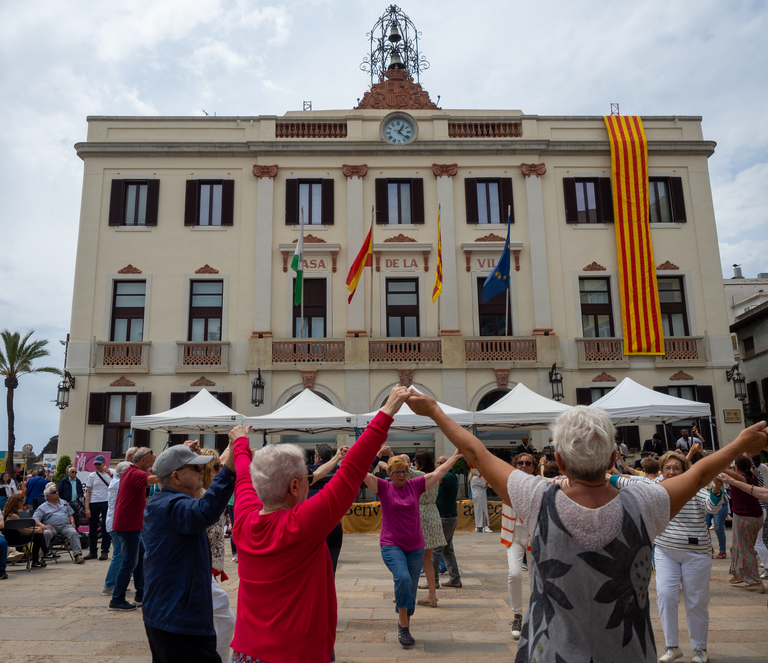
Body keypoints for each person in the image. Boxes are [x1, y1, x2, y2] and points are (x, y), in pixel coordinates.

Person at [405, 392, 768, 662]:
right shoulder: (647, 503)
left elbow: (475, 453)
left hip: (550, 652)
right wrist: (738, 442)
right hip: (628, 653)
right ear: (614, 458)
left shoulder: (535, 498)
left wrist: (435, 410)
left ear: (559, 461)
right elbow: (701, 471)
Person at [229, 385, 410, 663]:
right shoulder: (302, 524)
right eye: (305, 478)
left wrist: (240, 441)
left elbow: (242, 473)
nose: (308, 482)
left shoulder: (243, 518)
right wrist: (387, 410)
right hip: (297, 654)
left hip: (245, 653)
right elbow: (351, 471)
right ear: (294, 487)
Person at [142, 441, 235, 663]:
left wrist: (231, 447)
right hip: (178, 620)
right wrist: (231, 469)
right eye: (195, 468)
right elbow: (206, 509)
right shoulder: (173, 505)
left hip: (165, 614)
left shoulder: (162, 502)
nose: (201, 472)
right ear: (176, 477)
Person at [362, 448, 461, 644]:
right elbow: (359, 471)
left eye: (404, 471)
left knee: (412, 587)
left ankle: (406, 622)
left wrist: (456, 456)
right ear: (389, 473)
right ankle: (403, 626)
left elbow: (438, 473)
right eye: (396, 472)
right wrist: (375, 455)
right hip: (391, 544)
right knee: (403, 579)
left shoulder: (415, 486)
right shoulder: (383, 487)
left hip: (416, 545)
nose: (401, 475)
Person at [653, 450, 725, 663]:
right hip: (665, 550)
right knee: (665, 596)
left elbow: (712, 506)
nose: (672, 472)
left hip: (696, 553)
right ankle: (671, 647)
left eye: (676, 468)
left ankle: (700, 649)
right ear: (662, 471)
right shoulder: (657, 488)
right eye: (668, 468)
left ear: (684, 470)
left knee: (696, 602)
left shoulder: (694, 488)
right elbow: (629, 483)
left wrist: (717, 488)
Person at [198, 448, 236, 663]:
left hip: (208, 565)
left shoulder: (209, 491)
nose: (220, 470)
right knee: (225, 620)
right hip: (201, 566)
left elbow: (220, 463)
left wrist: (233, 443)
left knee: (216, 620)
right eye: (216, 468)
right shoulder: (203, 496)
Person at [109, 446, 157, 612]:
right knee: (129, 563)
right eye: (151, 460)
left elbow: (150, 474)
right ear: (143, 460)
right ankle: (117, 599)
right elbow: (156, 479)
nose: (152, 463)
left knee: (139, 558)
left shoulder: (130, 471)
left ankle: (140, 594)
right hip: (129, 525)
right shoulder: (136, 474)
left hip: (128, 524)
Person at [504, 452, 535, 640]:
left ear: (532, 466)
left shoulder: (539, 483)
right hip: (513, 536)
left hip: (535, 538)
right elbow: (484, 472)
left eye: (527, 463)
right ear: (515, 465)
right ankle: (516, 615)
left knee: (536, 579)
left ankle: (535, 615)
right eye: (520, 463)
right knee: (515, 573)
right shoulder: (507, 482)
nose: (523, 465)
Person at [722, 455, 765, 592]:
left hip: (745, 518)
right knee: (736, 546)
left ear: (737, 467)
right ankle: (738, 573)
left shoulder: (742, 478)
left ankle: (756, 582)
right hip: (752, 516)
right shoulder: (752, 475)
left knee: (746, 549)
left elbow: (721, 468)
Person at [306, 443, 350, 574]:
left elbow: (319, 473)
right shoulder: (339, 471)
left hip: (310, 520)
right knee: (331, 566)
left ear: (317, 457)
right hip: (332, 521)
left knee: (310, 565)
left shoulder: (307, 471)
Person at [429, 454, 463, 590]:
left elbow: (438, 479)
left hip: (445, 517)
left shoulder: (449, 476)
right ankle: (455, 579)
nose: (439, 465)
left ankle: (434, 581)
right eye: (437, 463)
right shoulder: (445, 474)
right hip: (447, 516)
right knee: (447, 550)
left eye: (442, 463)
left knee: (435, 550)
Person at [33, 485, 85, 564]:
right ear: (48, 496)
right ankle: (43, 557)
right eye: (54, 492)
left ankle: (77, 555)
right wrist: (43, 526)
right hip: (51, 527)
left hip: (65, 525)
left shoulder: (63, 502)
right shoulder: (42, 507)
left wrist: (72, 522)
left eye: (57, 491)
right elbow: (35, 519)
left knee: (73, 532)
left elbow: (70, 514)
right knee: (45, 533)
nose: (57, 493)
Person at [102, 461, 132, 596]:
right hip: (116, 523)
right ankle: (109, 585)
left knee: (121, 555)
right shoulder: (120, 483)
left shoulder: (116, 481)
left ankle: (117, 583)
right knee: (118, 555)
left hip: (113, 522)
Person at [2, 492, 52, 567]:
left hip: (11, 537)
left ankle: (44, 554)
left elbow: (22, 528)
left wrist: (36, 528)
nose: (23, 502)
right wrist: (37, 530)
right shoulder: (13, 516)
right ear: (16, 503)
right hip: (15, 539)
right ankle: (43, 555)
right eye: (21, 501)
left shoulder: (8, 514)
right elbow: (23, 530)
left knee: (37, 534)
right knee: (38, 535)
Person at [84, 455, 113, 560]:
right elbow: (88, 492)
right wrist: (87, 507)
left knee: (106, 528)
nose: (97, 466)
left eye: (99, 464)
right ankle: (92, 550)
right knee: (92, 528)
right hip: (94, 502)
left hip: (107, 501)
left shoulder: (112, 472)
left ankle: (105, 551)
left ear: (104, 463)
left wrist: (110, 474)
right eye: (95, 464)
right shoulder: (92, 476)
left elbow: (118, 484)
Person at [469, 468, 491, 532]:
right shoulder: (476, 478)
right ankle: (485, 526)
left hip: (478, 496)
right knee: (483, 510)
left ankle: (479, 526)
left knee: (478, 510)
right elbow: (485, 484)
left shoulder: (473, 478)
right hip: (480, 496)